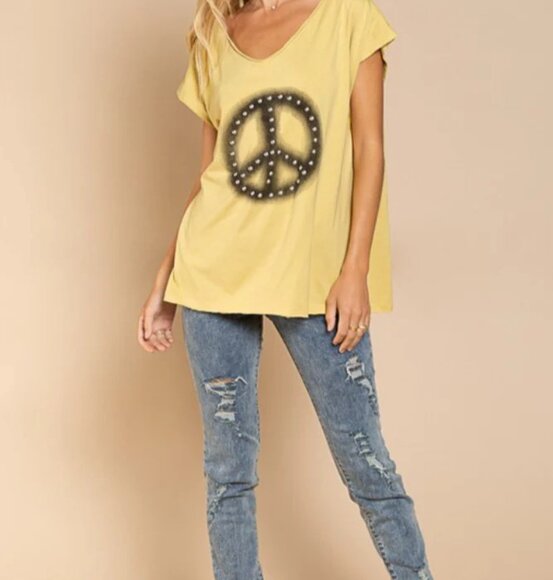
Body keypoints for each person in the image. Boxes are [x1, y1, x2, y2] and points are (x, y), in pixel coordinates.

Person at [137, 0, 434, 578]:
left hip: (314, 279)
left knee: (366, 462)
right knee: (228, 474)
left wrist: (355, 270)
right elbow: (209, 176)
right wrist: (164, 281)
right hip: (212, 274)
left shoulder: (348, 16)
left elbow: (370, 149)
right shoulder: (214, 35)